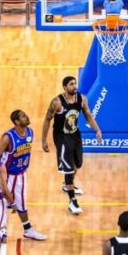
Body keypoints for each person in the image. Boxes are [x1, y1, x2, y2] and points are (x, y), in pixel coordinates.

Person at [42, 76, 103, 215]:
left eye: (75, 84)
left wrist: (97, 129)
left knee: (78, 164)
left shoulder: (81, 99)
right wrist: (44, 141)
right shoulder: (57, 102)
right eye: (71, 84)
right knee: (68, 169)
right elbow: (47, 120)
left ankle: (67, 186)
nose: (74, 86)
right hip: (61, 137)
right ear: (64, 87)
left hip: (75, 134)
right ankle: (72, 201)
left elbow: (88, 115)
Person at [0, 110, 48, 243]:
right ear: (17, 122)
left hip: (21, 174)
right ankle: (1, 230)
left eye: (26, 114)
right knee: (2, 203)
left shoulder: (30, 132)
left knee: (22, 204)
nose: (27, 117)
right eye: (23, 116)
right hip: (7, 175)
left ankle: (28, 230)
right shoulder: (8, 137)